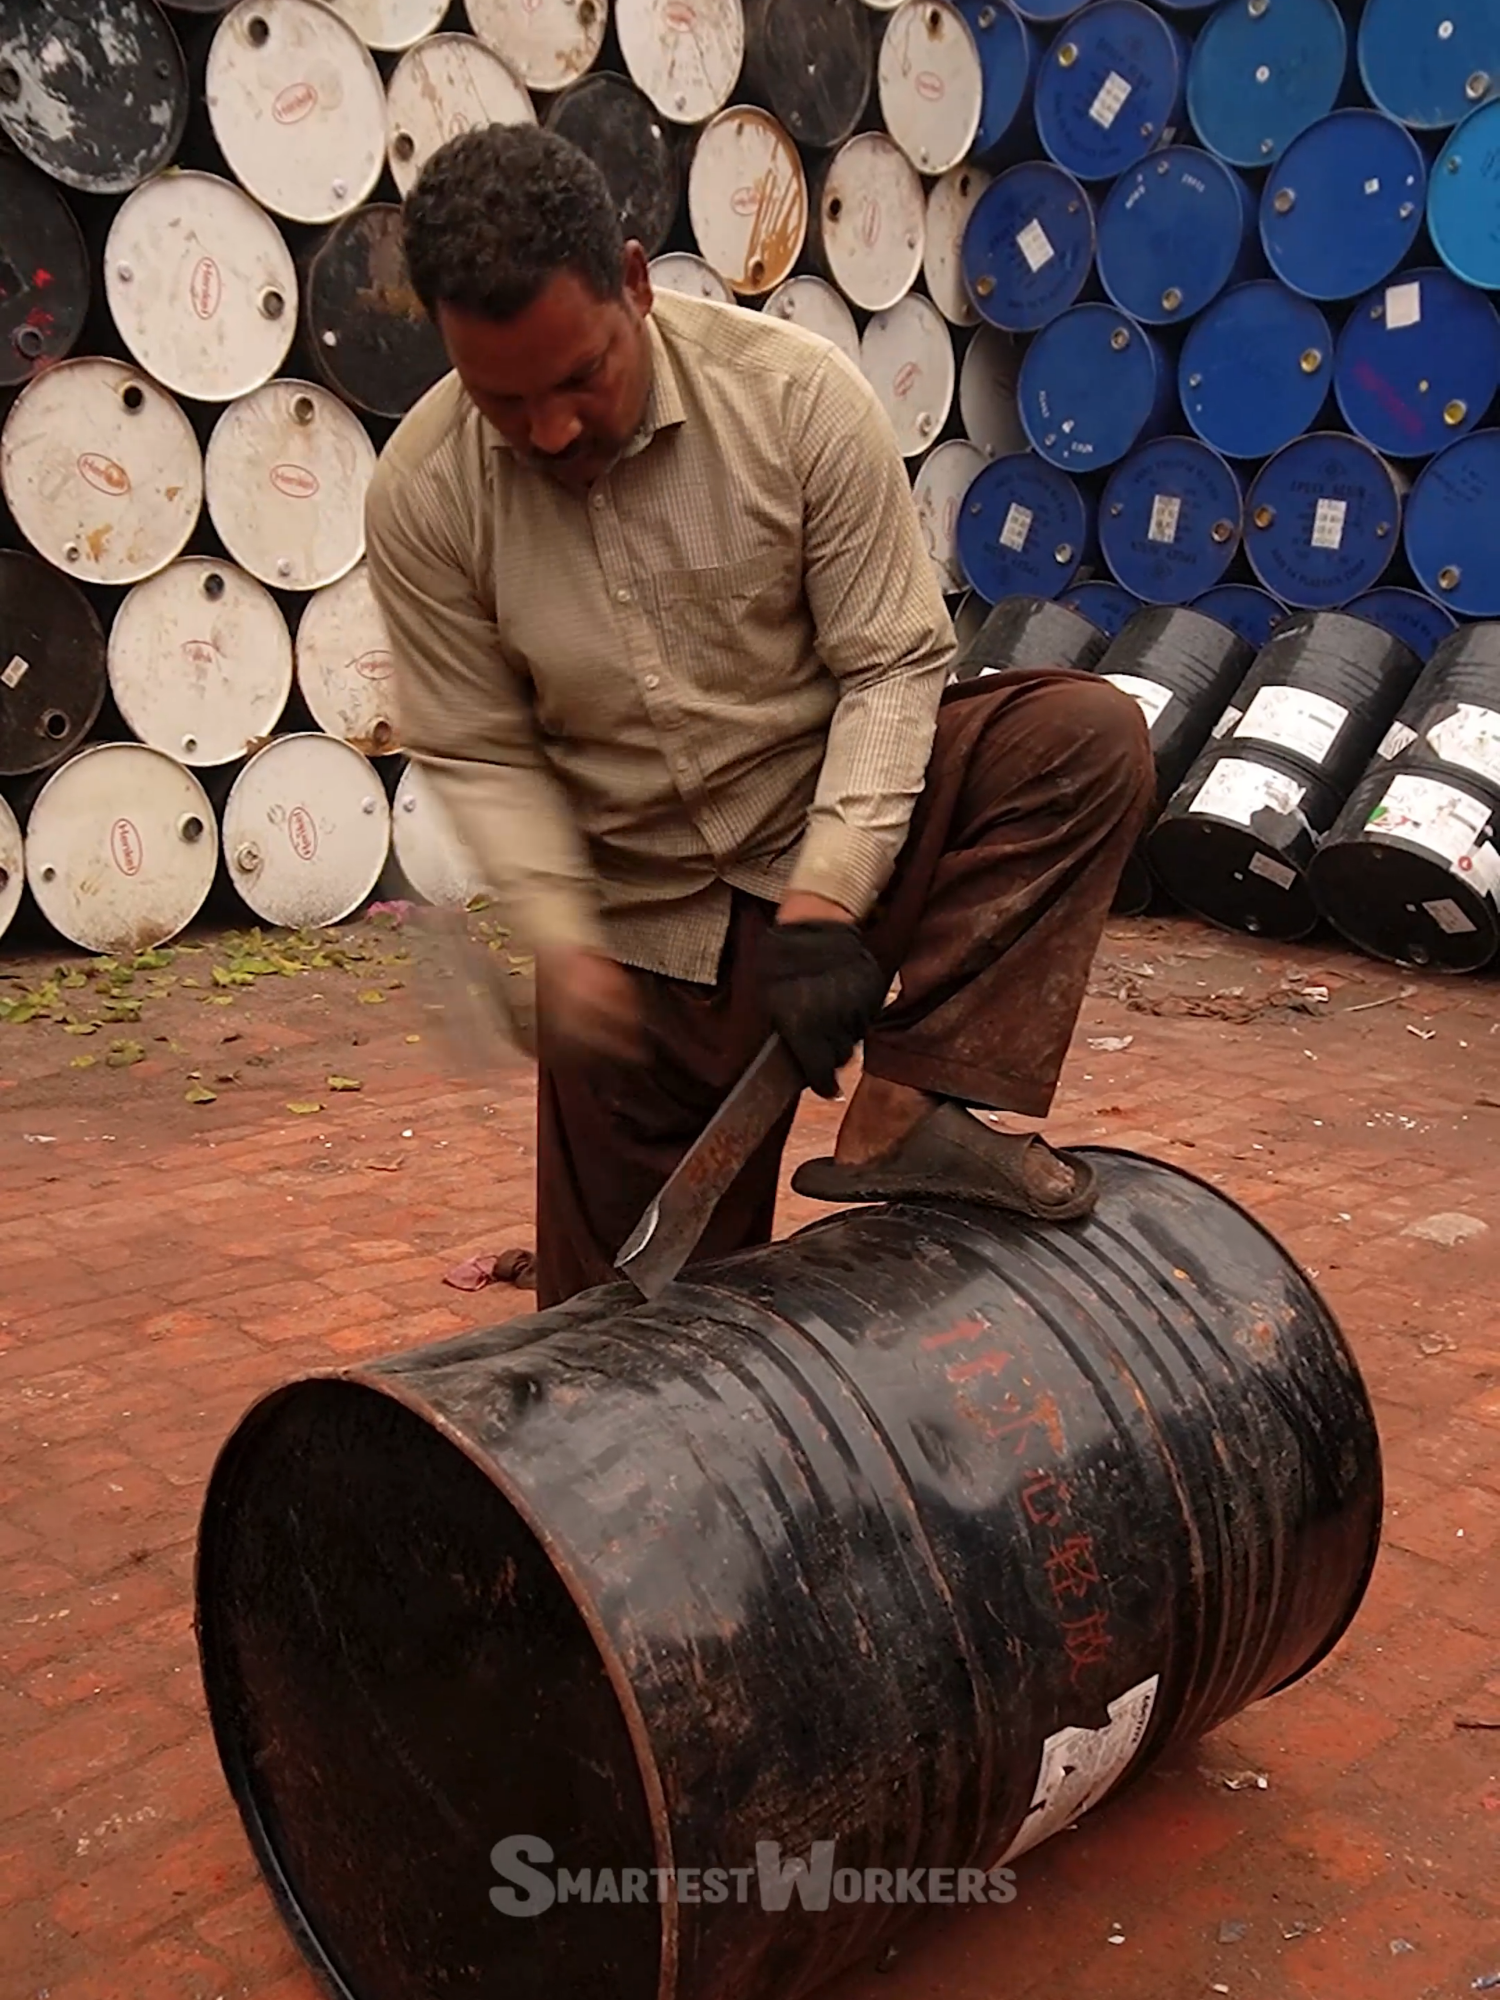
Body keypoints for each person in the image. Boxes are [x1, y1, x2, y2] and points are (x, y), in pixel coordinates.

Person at [365, 125, 1155, 1311]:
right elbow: (478, 745)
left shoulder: (795, 401)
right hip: (640, 932)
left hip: (839, 845)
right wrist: (564, 939)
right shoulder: (423, 493)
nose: (551, 431)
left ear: (636, 281)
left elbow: (893, 664)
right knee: (617, 1341)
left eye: (581, 377)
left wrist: (827, 897)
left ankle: (906, 1108)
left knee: (1081, 740)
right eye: (503, 400)